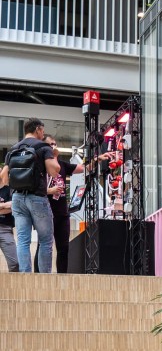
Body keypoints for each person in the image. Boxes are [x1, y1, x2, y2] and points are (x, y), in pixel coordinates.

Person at [42, 135, 111, 273]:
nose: (53, 146)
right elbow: (35, 189)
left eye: (55, 144)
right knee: (44, 246)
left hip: (62, 213)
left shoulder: (62, 165)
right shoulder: (40, 166)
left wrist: (98, 159)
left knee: (63, 248)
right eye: (50, 144)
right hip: (46, 212)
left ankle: (62, 277)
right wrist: (50, 191)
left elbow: (84, 168)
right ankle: (41, 275)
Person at [0, 117, 60, 273]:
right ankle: (44, 278)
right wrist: (54, 155)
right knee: (45, 240)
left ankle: (25, 277)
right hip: (37, 198)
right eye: (42, 131)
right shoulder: (43, 147)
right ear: (38, 129)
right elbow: (54, 171)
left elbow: (4, 178)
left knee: (23, 241)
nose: (43, 134)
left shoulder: (13, 149)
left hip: (17, 198)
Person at [0, 184, 17, 272]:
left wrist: (7, 206)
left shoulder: (9, 190)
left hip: (5, 229)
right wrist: (4, 205)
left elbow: (13, 206)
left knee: (15, 264)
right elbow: (8, 206)